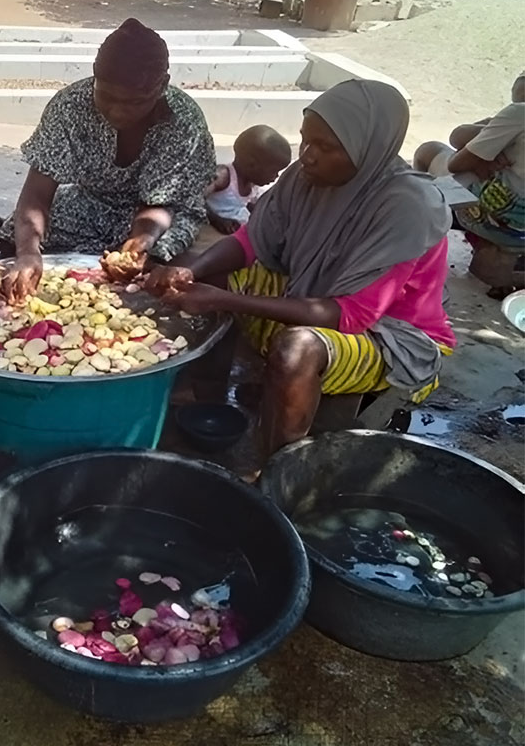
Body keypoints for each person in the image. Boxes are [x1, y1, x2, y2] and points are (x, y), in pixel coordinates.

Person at [145, 79, 454, 458]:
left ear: (367, 147)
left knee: (296, 350)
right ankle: (208, 401)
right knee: (206, 270)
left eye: (326, 147)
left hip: (388, 335)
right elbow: (249, 242)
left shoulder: (408, 208)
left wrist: (224, 300)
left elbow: (351, 314)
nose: (307, 155)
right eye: (305, 139)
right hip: (310, 292)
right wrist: (192, 271)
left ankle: (280, 466)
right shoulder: (304, 177)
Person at [0, 18, 215, 300]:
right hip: (93, 203)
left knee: (164, 264)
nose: (118, 112)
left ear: (162, 87)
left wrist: (141, 242)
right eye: (107, 97)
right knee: (17, 236)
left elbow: (159, 206)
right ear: (94, 78)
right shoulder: (70, 106)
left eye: (135, 102)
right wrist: (27, 253)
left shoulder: (183, 121)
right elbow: (37, 195)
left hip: (165, 215)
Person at [414, 72, 525, 253]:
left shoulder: (519, 113)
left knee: (428, 151)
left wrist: (482, 153)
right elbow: (458, 136)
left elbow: (455, 164)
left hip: (505, 226)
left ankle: (423, 238)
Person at [204, 125, 292, 235]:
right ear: (252, 165)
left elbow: (249, 206)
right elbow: (195, 200)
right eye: (273, 171)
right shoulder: (224, 176)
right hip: (211, 232)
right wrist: (216, 220)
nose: (276, 176)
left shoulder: (252, 185)